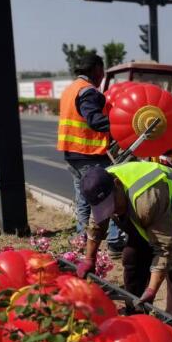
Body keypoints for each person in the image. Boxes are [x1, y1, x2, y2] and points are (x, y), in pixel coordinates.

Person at [76, 162, 172, 321]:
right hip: (153, 211)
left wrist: (152, 289)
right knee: (132, 258)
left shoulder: (146, 201)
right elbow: (96, 225)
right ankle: (135, 315)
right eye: (104, 208)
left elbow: (164, 249)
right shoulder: (101, 184)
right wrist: (90, 259)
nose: (111, 211)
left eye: (112, 205)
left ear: (117, 184)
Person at [56, 53, 122, 254]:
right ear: (96, 70)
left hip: (72, 154)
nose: (102, 76)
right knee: (109, 195)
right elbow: (94, 120)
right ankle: (114, 241)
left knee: (84, 198)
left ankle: (81, 241)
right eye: (102, 71)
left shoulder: (70, 89)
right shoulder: (88, 91)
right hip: (89, 154)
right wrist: (122, 124)